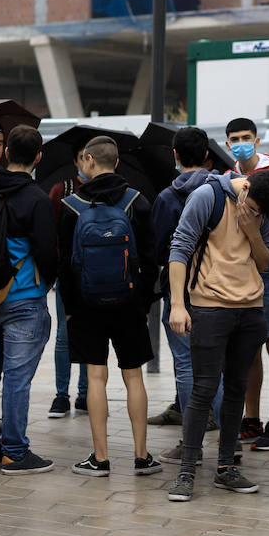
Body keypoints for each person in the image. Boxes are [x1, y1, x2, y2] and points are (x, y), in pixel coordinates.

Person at [165, 168, 269, 501]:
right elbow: (179, 249)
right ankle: (187, 471)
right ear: (245, 188)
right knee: (203, 389)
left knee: (236, 389)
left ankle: (225, 468)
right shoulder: (209, 197)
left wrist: (253, 230)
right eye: (255, 208)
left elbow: (264, 262)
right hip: (209, 307)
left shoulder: (263, 214)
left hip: (251, 310)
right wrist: (178, 304)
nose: (258, 215)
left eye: (264, 215)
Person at [58, 136, 161, 477]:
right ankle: (142, 456)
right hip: (129, 302)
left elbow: (65, 266)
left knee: (96, 376)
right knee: (133, 377)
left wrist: (71, 308)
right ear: (116, 163)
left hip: (87, 305)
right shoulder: (136, 201)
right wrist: (144, 303)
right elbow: (150, 260)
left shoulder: (71, 205)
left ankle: (100, 459)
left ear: (87, 160)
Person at [0, 125, 58, 475]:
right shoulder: (35, 198)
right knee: (17, 379)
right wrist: (47, 281)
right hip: (23, 296)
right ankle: (15, 452)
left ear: (7, 153)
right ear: (37, 157)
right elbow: (47, 251)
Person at [149, 126, 224, 465]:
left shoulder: (166, 198)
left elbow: (159, 250)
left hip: (178, 293)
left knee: (185, 365)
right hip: (217, 291)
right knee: (216, 366)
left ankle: (189, 442)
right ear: (208, 156)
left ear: (175, 156)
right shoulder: (223, 191)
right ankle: (228, 439)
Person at [224, 117, 269, 450]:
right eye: (234, 138)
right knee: (247, 348)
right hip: (237, 269)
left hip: (268, 269)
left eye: (245, 137)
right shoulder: (226, 178)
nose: (240, 142)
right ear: (226, 144)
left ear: (257, 140)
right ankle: (251, 419)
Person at [47, 153, 89, 419]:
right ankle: (62, 394)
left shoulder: (107, 189)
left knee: (91, 335)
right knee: (64, 334)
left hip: (97, 274)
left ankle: (85, 393)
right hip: (68, 273)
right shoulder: (62, 190)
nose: (89, 162)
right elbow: (50, 233)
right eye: (84, 157)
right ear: (75, 160)